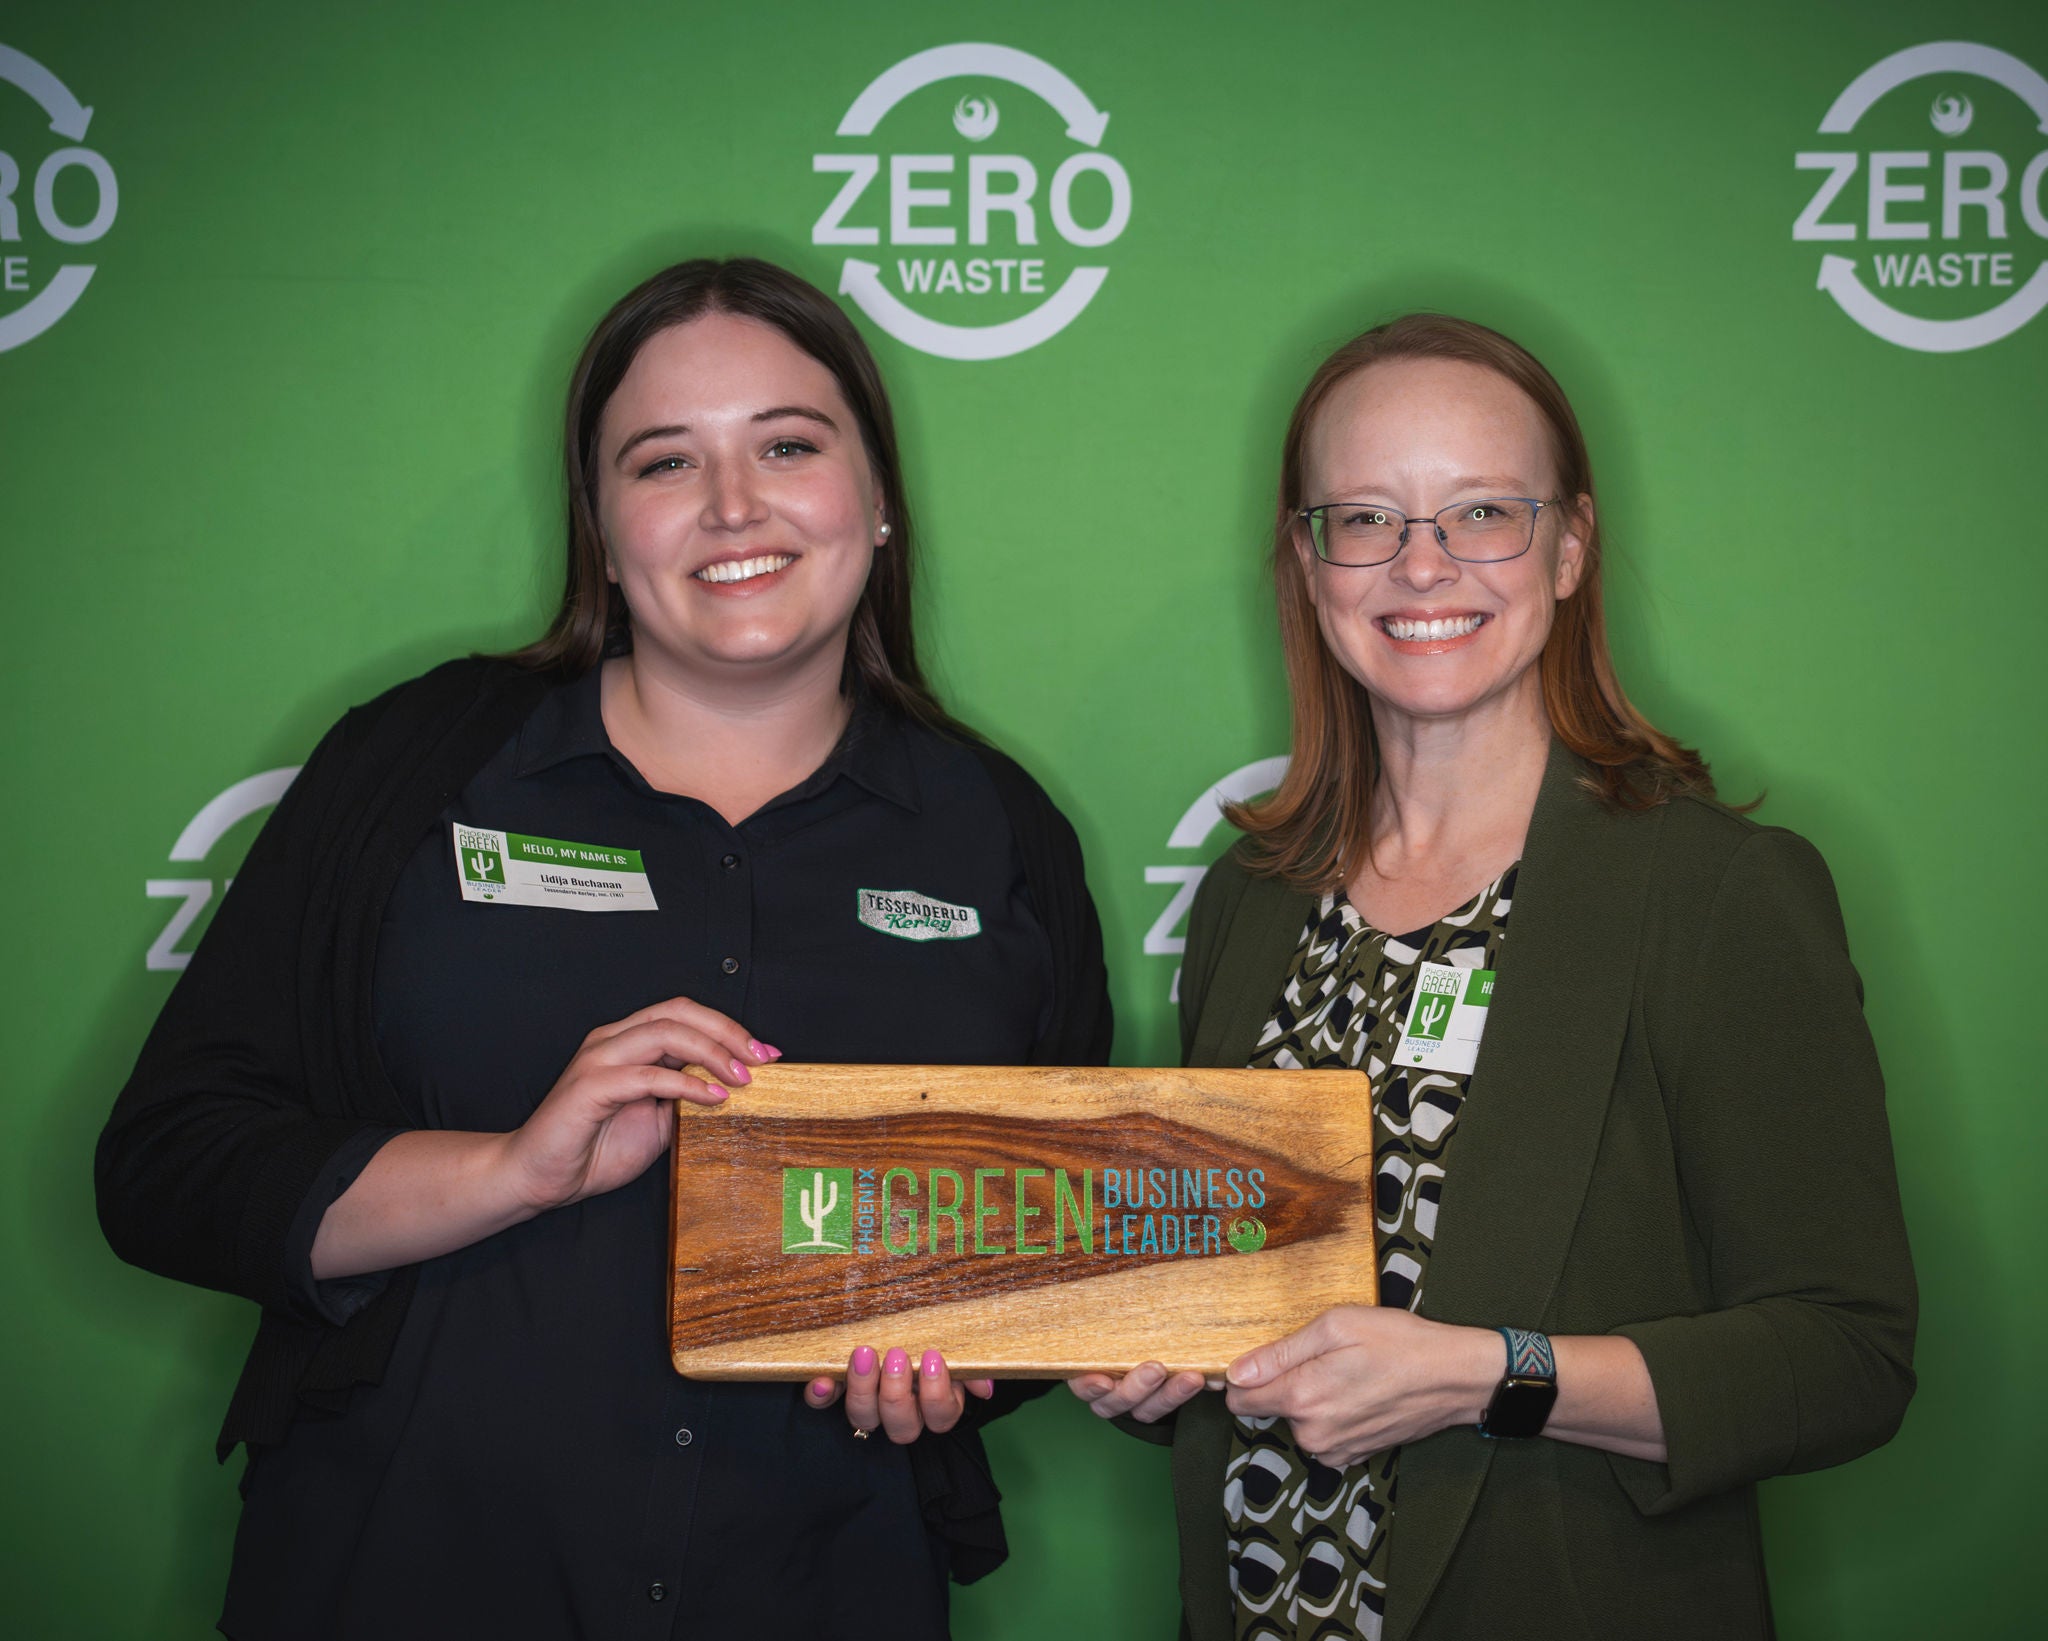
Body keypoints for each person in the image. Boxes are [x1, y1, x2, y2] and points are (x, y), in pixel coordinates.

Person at [96, 257, 1111, 1640]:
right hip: (399, 1574)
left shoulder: (998, 833)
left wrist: (964, 1357)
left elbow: (1039, 1252)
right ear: (601, 523)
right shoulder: (414, 766)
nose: (734, 506)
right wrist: (511, 1170)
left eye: (789, 446)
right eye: (664, 462)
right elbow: (170, 1165)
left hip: (824, 1587)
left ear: (876, 500)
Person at [1071, 314, 1915, 1640]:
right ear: (1309, 558)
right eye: (1365, 518)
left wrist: (1490, 1375)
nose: (1423, 565)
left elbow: (1847, 1357)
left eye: (1482, 512)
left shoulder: (1715, 891)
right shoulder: (1251, 902)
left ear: (1571, 546)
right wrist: (1156, 1359)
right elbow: (1255, 1319)